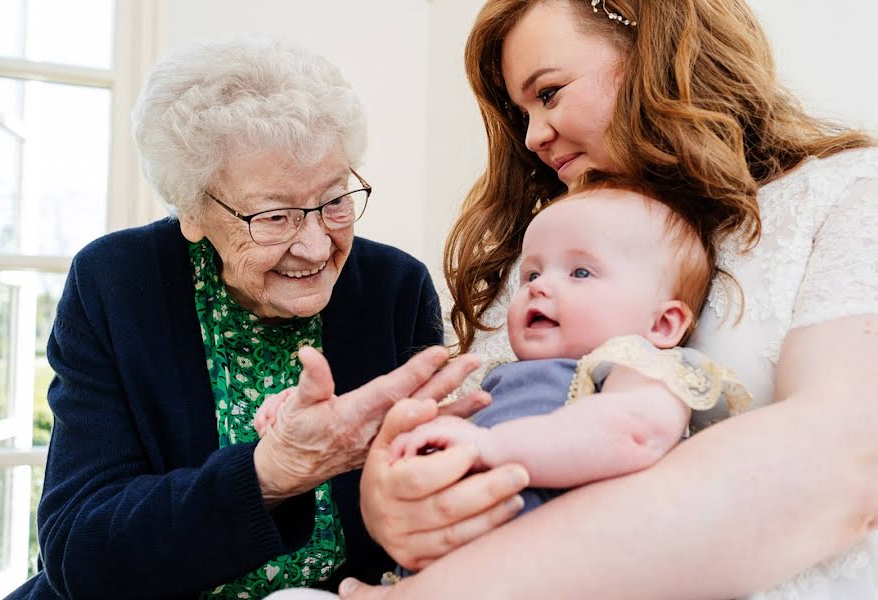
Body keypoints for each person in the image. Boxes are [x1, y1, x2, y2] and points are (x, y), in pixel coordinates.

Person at [344, 1, 878, 598]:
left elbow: (844, 463)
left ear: (657, 51)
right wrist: (393, 505)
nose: (533, 136)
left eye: (548, 93)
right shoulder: (546, 265)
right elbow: (487, 431)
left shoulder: (849, 197)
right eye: (521, 113)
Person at [5, 37, 488, 600]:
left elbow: (419, 527)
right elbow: (81, 554)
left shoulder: (394, 288)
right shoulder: (117, 283)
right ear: (191, 209)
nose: (313, 246)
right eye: (274, 216)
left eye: (334, 200)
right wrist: (271, 474)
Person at [385, 183, 751, 518]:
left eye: (580, 272)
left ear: (662, 325)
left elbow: (632, 435)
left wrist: (487, 445)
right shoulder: (502, 376)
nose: (540, 286)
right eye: (531, 274)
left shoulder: (637, 364)